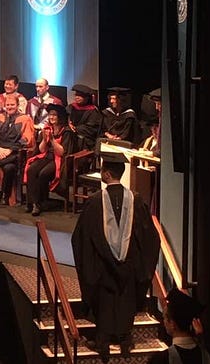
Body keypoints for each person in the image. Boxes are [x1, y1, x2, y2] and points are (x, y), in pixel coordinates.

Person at [71, 151, 160, 362]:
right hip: (129, 266)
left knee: (105, 299)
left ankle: (102, 341)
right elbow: (150, 238)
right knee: (125, 297)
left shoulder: (94, 202)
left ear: (107, 173)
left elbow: (81, 238)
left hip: (102, 268)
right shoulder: (136, 200)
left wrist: (92, 262)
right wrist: (138, 264)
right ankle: (125, 339)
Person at [24, 103, 77, 216]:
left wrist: (52, 140)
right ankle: (33, 202)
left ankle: (40, 202)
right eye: (50, 115)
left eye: (54, 115)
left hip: (61, 160)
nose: (51, 117)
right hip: (47, 156)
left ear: (60, 117)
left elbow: (62, 152)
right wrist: (44, 139)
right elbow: (42, 150)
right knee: (31, 169)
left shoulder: (67, 131)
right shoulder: (47, 128)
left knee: (43, 173)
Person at [148, 288, 210, 364]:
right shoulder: (206, 355)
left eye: (164, 318)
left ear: (172, 324)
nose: (164, 322)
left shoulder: (161, 359)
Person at [67, 84, 102, 151]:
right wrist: (68, 124)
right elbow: (64, 118)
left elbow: (92, 128)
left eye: (80, 95)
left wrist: (75, 128)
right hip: (70, 139)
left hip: (85, 142)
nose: (77, 97)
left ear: (87, 97)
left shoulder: (93, 111)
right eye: (76, 95)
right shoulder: (71, 107)